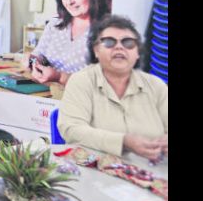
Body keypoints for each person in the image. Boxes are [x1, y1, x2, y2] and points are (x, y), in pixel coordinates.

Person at [58, 15, 168, 162]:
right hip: (96, 171)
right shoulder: (81, 81)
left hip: (153, 173)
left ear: (137, 53)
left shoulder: (156, 86)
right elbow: (72, 130)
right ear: (96, 50)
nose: (119, 47)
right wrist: (123, 142)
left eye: (128, 43)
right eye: (109, 42)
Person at [29, 0, 110, 86]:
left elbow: (104, 82)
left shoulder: (108, 30)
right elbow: (39, 54)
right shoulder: (55, 24)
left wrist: (60, 77)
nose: (69, 2)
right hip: (48, 94)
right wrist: (33, 60)